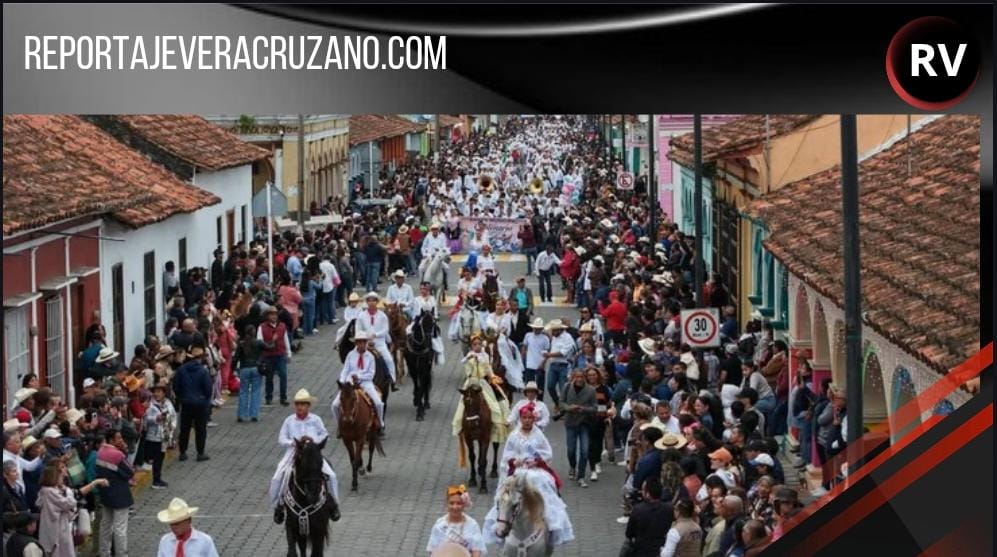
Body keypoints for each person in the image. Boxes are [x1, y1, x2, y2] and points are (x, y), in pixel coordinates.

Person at [482, 403, 574, 548]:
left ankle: (549, 520)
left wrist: (536, 461)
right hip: (518, 470)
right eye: (524, 418)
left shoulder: (538, 435)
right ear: (520, 419)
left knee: (543, 482)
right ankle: (501, 523)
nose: (527, 420)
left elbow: (547, 453)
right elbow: (506, 456)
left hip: (535, 470)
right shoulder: (514, 435)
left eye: (530, 418)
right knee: (506, 496)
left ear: (534, 419)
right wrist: (514, 461)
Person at [271, 389, 341, 524]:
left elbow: (325, 435)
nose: (299, 407)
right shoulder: (289, 421)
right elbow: (281, 438)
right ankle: (278, 505)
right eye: (297, 404)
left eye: (303, 404)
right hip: (293, 453)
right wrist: (293, 442)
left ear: (308, 406)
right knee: (279, 476)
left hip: (312, 453)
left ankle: (334, 504)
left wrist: (313, 441)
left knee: (331, 475)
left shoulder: (316, 420)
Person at [37, 465, 106, 557]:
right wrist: (68, 491)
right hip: (58, 528)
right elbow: (70, 503)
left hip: (54, 526)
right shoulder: (50, 492)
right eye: (60, 476)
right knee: (62, 551)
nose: (62, 479)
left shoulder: (45, 491)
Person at [452, 335, 510, 443]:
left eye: (479, 344)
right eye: (475, 344)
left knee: (494, 401)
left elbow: (488, 369)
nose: (477, 346)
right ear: (471, 346)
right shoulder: (469, 355)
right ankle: (461, 427)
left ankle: (497, 423)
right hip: (471, 382)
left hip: (482, 383)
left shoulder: (485, 356)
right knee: (463, 404)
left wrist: (493, 377)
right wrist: (469, 358)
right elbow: (464, 364)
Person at [332, 331, 385, 431]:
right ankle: (339, 425)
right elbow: (345, 370)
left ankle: (380, 422)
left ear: (366, 343)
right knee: (335, 405)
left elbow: (371, 374)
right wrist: (342, 381)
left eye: (363, 342)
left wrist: (359, 377)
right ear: (356, 343)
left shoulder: (370, 357)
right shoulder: (350, 355)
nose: (361, 344)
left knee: (378, 403)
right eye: (359, 342)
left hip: (365, 383)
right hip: (350, 383)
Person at [96, 429, 134, 557]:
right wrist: (124, 451)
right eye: (119, 438)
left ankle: (104, 552)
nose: (121, 440)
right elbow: (130, 471)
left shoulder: (100, 452)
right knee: (120, 528)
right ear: (111, 440)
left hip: (106, 494)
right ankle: (121, 554)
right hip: (120, 495)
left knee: (105, 525)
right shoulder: (117, 455)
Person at [172, 347, 213, 462]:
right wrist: (205, 400)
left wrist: (181, 397)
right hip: (200, 403)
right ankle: (200, 453)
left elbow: (176, 386)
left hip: (186, 403)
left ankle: (182, 452)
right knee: (200, 429)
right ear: (200, 358)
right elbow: (208, 389)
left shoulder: (181, 370)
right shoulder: (203, 371)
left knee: (185, 428)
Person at [426, 485, 486, 556]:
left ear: (464, 505)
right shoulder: (440, 525)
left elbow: (476, 549)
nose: (455, 507)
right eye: (451, 503)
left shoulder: (472, 525)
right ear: (447, 504)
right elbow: (432, 550)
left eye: (459, 503)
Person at [561, 369, 597, 487]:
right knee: (571, 449)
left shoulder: (591, 390)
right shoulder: (567, 387)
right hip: (570, 422)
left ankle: (581, 476)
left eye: (581, 377)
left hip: (584, 423)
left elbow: (595, 408)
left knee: (584, 451)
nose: (579, 379)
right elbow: (561, 402)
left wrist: (584, 409)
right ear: (573, 378)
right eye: (577, 377)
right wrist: (569, 408)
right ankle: (572, 466)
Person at [355, 292, 398, 390]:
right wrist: (365, 336)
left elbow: (385, 330)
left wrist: (376, 335)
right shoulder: (361, 316)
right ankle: (351, 379)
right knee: (354, 358)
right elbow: (358, 329)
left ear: (377, 302)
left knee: (389, 359)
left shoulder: (382, 316)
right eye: (369, 300)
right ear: (367, 302)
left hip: (379, 343)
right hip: (364, 343)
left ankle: (392, 380)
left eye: (373, 300)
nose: (371, 303)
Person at [624, 476, 672, 557]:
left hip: (641, 551)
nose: (641, 492)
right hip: (660, 549)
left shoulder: (638, 510)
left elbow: (629, 533)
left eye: (643, 490)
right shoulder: (668, 509)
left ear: (648, 494)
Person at [233, 324, 271, 423]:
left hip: (244, 368)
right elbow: (269, 348)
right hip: (256, 368)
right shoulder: (259, 343)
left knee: (243, 391)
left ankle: (241, 415)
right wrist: (273, 340)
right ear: (254, 333)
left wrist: (233, 369)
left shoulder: (242, 344)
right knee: (256, 391)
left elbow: (235, 358)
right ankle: (254, 414)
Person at [258, 306, 292, 407]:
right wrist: (271, 341)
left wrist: (289, 353)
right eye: (271, 314)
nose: (274, 316)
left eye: (275, 314)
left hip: (281, 354)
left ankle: (283, 397)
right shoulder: (262, 327)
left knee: (283, 375)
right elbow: (260, 342)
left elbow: (286, 339)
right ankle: (269, 397)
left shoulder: (282, 326)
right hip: (268, 356)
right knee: (269, 377)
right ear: (267, 316)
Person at [144, 384, 176, 489]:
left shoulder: (168, 403)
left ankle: (157, 479)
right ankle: (156, 481)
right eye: (155, 391)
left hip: (164, 436)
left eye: (159, 391)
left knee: (160, 458)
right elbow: (145, 419)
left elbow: (173, 416)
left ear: (164, 393)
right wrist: (156, 419)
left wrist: (170, 431)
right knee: (156, 459)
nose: (156, 394)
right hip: (154, 437)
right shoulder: (150, 404)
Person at [542, 320, 575, 413]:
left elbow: (563, 353)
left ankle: (564, 408)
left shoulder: (567, 337)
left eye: (554, 330)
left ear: (559, 330)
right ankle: (557, 403)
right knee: (550, 386)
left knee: (563, 388)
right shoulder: (554, 338)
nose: (552, 332)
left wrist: (549, 355)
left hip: (563, 365)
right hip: (553, 365)